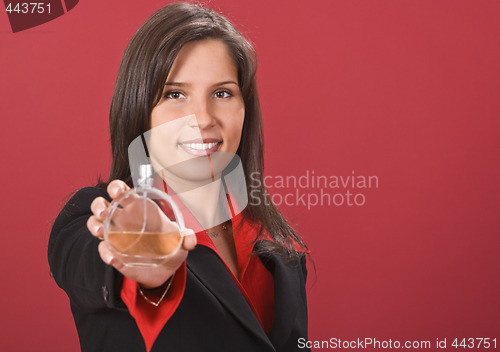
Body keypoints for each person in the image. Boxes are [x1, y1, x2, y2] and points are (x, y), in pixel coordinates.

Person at [48, 3, 310, 352]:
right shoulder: (98, 216)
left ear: (244, 109)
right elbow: (86, 258)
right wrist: (138, 256)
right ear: (141, 109)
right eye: (175, 94)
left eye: (222, 93)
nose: (202, 119)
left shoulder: (281, 249)